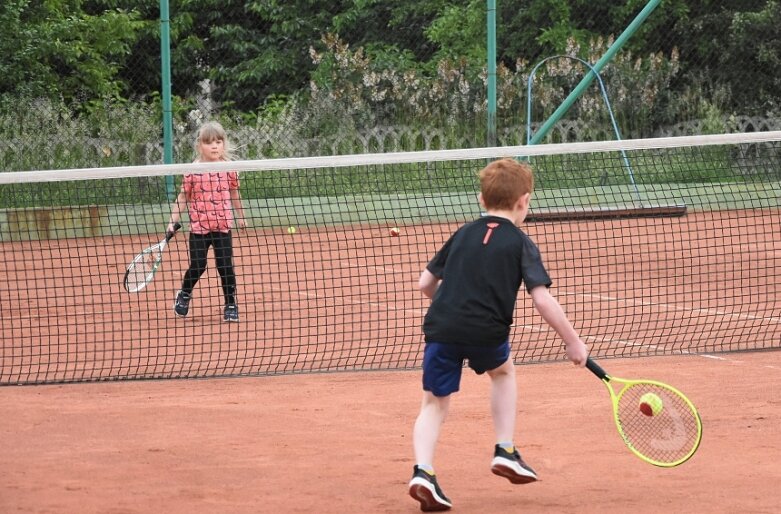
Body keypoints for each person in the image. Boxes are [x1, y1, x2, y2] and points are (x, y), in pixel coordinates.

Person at [408, 158, 589, 511]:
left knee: (433, 403)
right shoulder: (521, 243)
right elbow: (542, 299)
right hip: (487, 331)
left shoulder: (462, 233)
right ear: (524, 201)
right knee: (503, 372)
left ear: (481, 199)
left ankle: (422, 472)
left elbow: (425, 283)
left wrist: (450, 307)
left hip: (441, 327)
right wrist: (572, 340)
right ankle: (505, 449)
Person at [167, 121, 247, 322]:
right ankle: (184, 294)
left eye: (218, 142)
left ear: (223, 144)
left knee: (225, 266)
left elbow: (235, 193)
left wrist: (241, 216)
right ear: (200, 145)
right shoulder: (192, 170)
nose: (214, 146)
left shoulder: (230, 168)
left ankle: (230, 304)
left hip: (223, 227)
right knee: (198, 265)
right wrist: (172, 221)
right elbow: (183, 197)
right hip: (199, 229)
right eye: (209, 142)